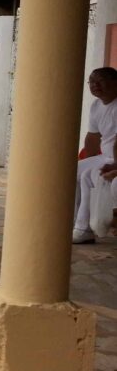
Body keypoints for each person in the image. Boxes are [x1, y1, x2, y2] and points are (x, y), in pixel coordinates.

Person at [72, 67, 117, 243]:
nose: (95, 85)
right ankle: (72, 222)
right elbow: (93, 136)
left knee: (88, 176)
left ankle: (84, 229)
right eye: (91, 81)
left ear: (115, 82)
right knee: (71, 172)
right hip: (105, 155)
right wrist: (85, 159)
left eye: (101, 80)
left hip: (114, 157)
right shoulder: (96, 105)